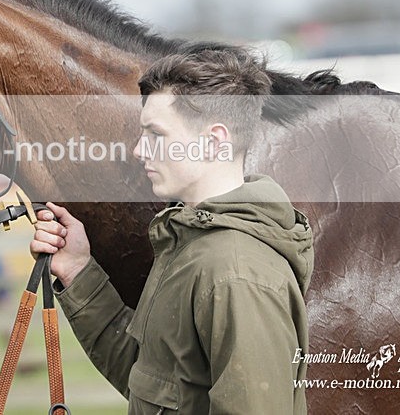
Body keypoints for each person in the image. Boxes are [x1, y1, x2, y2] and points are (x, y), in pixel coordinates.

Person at [30, 47, 314, 414]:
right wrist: (77, 270)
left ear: (214, 141)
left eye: (155, 134)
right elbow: (153, 384)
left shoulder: (237, 272)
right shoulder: (189, 242)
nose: (138, 149)